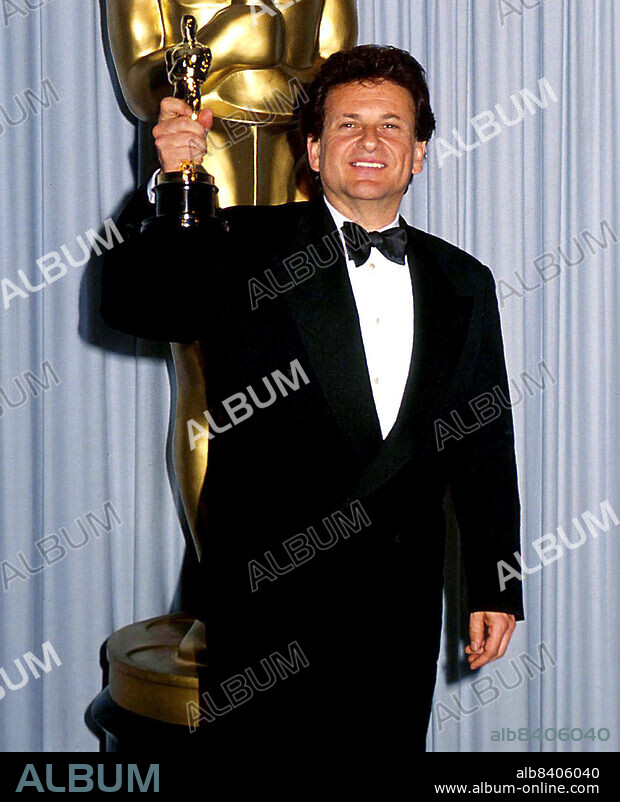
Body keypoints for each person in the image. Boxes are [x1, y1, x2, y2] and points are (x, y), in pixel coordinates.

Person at [100, 44, 524, 753]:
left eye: (391, 126)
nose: (370, 141)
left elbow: (483, 442)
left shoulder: (464, 281)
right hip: (267, 611)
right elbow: (138, 303)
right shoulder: (245, 244)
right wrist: (171, 181)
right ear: (315, 149)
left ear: (418, 152)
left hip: (398, 613)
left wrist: (496, 582)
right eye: (349, 123)